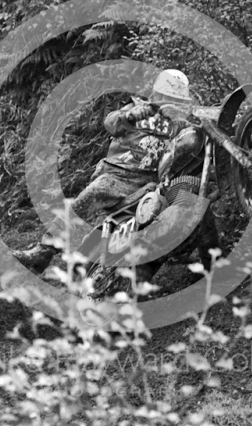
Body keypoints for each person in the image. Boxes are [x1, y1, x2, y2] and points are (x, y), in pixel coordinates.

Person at [13, 70, 206, 275]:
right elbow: (111, 122)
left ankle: (202, 259)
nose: (171, 104)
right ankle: (44, 251)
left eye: (176, 100)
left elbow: (194, 144)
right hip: (118, 176)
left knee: (183, 207)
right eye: (167, 98)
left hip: (151, 184)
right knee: (93, 194)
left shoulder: (180, 126)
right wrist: (129, 117)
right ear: (156, 95)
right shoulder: (138, 110)